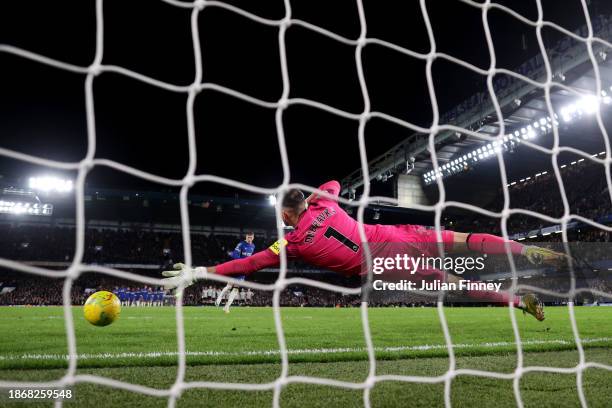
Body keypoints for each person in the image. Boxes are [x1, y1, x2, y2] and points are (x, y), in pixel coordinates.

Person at [163, 181, 567, 320]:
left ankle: (516, 301)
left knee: (453, 283)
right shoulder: (326, 203)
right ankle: (521, 248)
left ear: (286, 213)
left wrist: (200, 271)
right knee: (459, 239)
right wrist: (315, 196)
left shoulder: (292, 241)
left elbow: (251, 261)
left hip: (385, 264)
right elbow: (335, 182)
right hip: (395, 233)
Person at [214, 232, 255, 313]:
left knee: (236, 289)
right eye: (248, 237)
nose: (249, 239)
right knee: (229, 286)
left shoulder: (253, 246)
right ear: (246, 237)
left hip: (243, 270)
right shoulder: (241, 244)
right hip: (237, 267)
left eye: (251, 237)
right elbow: (235, 255)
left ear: (253, 238)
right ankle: (219, 298)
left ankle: (227, 307)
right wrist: (241, 262)